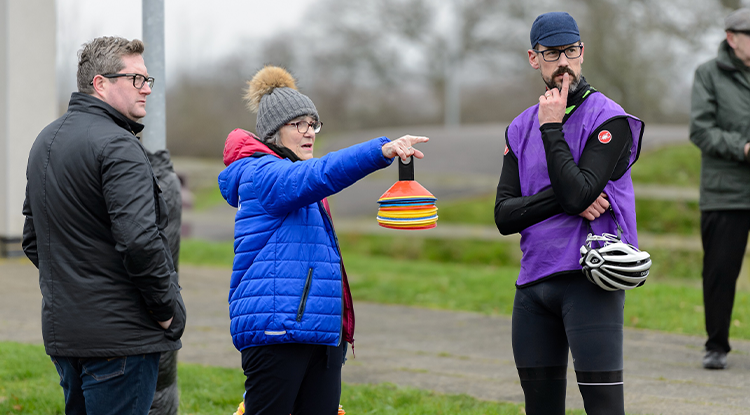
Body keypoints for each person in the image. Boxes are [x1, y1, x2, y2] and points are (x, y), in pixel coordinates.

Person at [218, 65, 428, 415]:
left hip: (320, 332)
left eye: (312, 123)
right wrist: (381, 151)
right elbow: (323, 173)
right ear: (273, 133)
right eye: (298, 124)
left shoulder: (295, 178)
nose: (309, 132)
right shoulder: (263, 175)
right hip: (279, 333)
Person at [22, 36, 186, 414]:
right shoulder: (118, 146)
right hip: (122, 340)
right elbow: (139, 241)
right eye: (136, 79)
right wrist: (166, 311)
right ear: (101, 83)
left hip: (66, 334)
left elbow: (33, 240)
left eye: (148, 80)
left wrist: (74, 288)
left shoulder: (45, 141)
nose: (147, 90)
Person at [494, 12, 644, 415]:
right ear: (533, 58)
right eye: (553, 53)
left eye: (571, 51)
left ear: (583, 52)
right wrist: (567, 200)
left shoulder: (609, 116)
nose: (564, 62)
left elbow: (579, 191)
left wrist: (552, 128)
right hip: (533, 282)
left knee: (604, 406)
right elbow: (505, 216)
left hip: (590, 279)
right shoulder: (518, 126)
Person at [690, 8, 750, 370]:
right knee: (720, 272)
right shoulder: (707, 75)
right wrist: (742, 148)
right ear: (732, 37)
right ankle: (716, 346)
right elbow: (701, 129)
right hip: (725, 193)